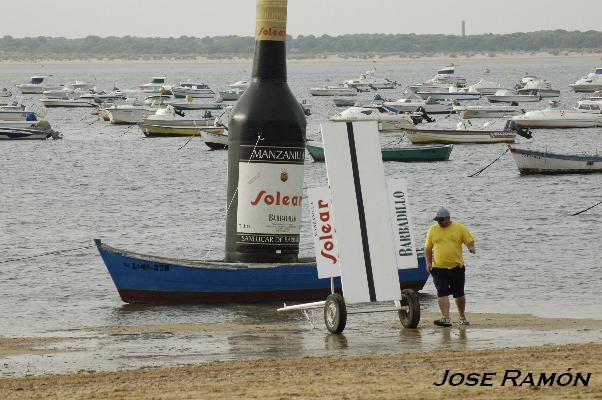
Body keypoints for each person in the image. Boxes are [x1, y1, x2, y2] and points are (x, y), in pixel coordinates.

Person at [424, 207, 476, 327]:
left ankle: (462, 317)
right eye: (437, 220)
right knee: (442, 292)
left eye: (441, 220)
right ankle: (446, 318)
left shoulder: (459, 228)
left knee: (459, 294)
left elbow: (469, 240)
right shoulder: (433, 229)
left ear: (448, 218)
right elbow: (428, 248)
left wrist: (471, 247)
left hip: (456, 267)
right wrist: (428, 262)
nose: (439, 222)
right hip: (438, 268)